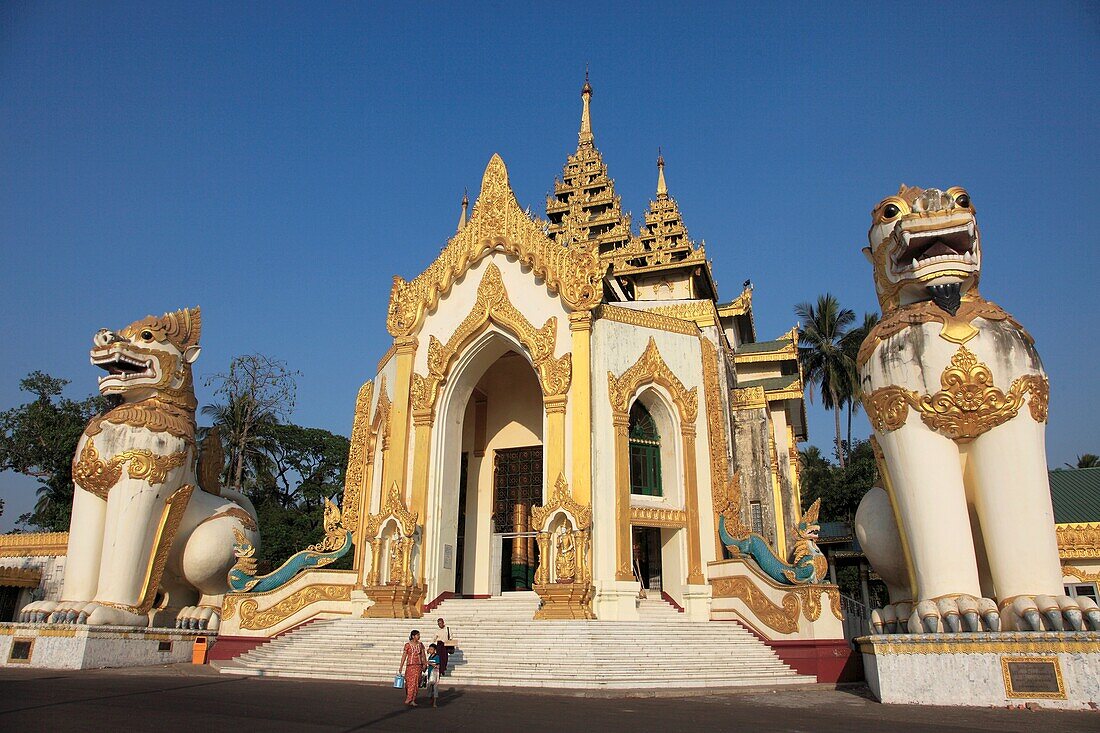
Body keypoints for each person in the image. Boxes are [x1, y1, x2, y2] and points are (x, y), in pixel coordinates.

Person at [398, 629, 425, 706]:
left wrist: (424, 664)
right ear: (413, 636)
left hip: (418, 665)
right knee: (409, 682)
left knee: (416, 683)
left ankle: (412, 699)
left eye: (419, 635)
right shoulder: (407, 645)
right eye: (417, 635)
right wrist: (401, 666)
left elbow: (423, 655)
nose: (419, 636)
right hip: (410, 665)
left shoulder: (420, 645)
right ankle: (409, 696)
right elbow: (404, 656)